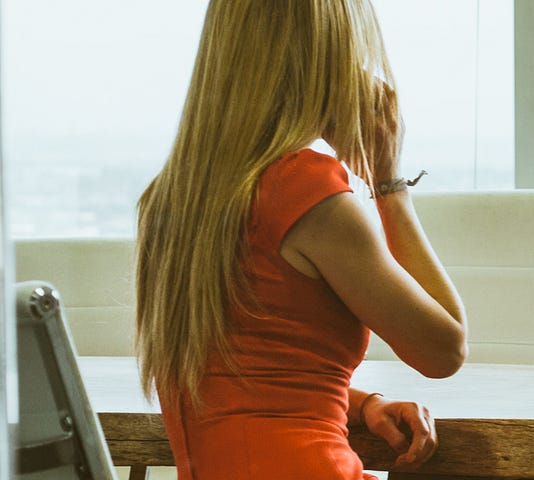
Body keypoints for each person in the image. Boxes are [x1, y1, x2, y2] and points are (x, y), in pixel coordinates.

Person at [133, 1, 468, 478]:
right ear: (327, 60)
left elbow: (236, 384)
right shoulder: (305, 188)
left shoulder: (169, 200)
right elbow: (445, 351)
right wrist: (388, 181)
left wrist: (363, 403)